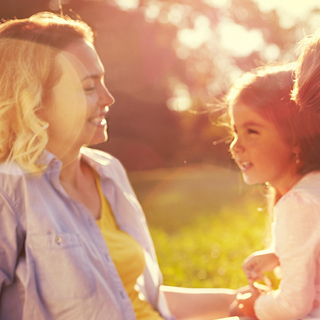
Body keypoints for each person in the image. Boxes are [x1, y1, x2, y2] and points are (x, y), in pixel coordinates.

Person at [0, 11, 238, 320]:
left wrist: (243, 301)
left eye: (103, 82)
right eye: (89, 87)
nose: (108, 98)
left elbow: (135, 297)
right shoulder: (10, 192)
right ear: (35, 101)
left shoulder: (108, 171)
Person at [218, 62, 320, 320]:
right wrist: (277, 254)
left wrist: (256, 305)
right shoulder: (313, 189)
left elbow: (292, 306)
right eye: (235, 131)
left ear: (294, 139)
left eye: (252, 131)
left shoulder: (298, 204)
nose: (236, 146)